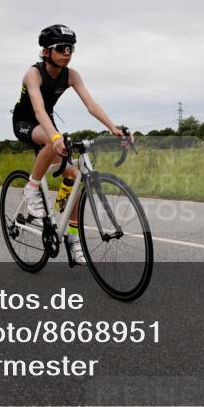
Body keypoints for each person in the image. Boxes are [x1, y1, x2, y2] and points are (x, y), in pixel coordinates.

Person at [12, 24, 125, 265]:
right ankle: (31, 188)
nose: (67, 53)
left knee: (75, 178)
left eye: (71, 48)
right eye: (61, 48)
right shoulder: (34, 74)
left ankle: (73, 240)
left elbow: (91, 105)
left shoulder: (71, 75)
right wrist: (54, 137)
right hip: (26, 121)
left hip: (47, 123)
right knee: (52, 142)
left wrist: (113, 128)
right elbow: (39, 109)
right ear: (45, 51)